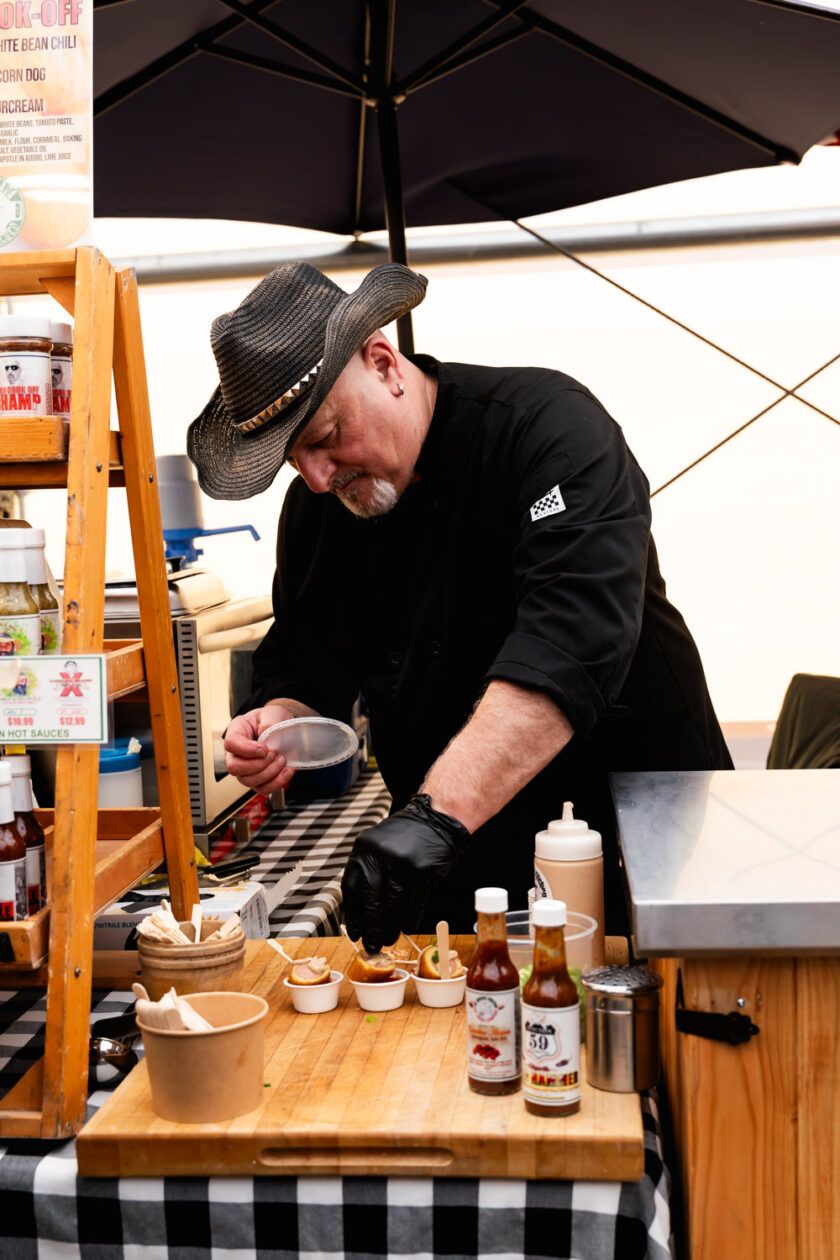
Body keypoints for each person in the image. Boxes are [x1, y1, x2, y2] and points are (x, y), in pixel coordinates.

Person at [187, 262, 732, 952]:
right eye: (296, 461)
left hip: (636, 833)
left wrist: (436, 817)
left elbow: (571, 641)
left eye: (324, 438)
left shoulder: (549, 430)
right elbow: (305, 659)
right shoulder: (319, 510)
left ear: (383, 362)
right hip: (455, 848)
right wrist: (279, 721)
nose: (319, 478)